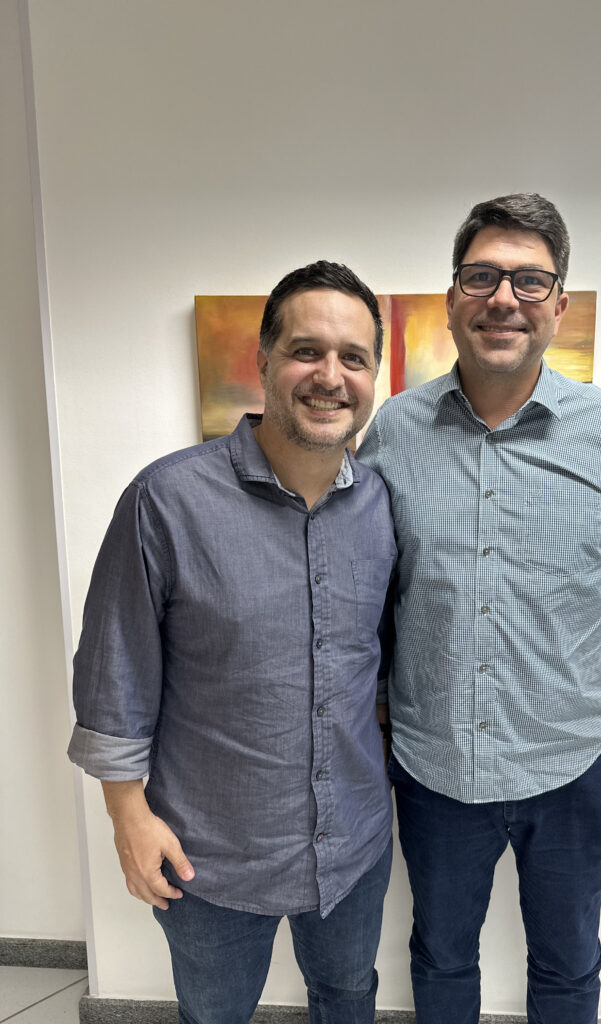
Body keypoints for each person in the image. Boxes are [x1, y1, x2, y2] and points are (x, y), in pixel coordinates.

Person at [357, 194, 601, 1024]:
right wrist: (383, 726)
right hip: (434, 770)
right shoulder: (394, 431)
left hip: (574, 771)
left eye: (529, 281)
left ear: (559, 305)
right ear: (452, 300)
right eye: (482, 277)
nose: (503, 298)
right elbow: (370, 596)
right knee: (440, 959)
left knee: (569, 970)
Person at [68, 261, 397, 1024]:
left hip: (354, 844)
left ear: (373, 376)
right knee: (214, 1015)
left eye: (353, 357)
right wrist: (128, 818)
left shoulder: (381, 505)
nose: (331, 376)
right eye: (307, 351)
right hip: (208, 854)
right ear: (265, 360)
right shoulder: (166, 500)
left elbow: (379, 663)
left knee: (349, 997)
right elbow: (115, 672)